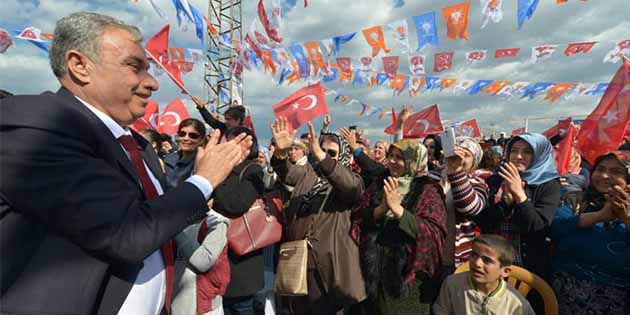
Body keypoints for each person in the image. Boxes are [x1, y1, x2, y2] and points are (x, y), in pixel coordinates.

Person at [0, 12, 249, 315]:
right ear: (80, 66)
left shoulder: (137, 147)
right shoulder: (36, 127)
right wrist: (203, 181)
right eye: (135, 67)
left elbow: (158, 224)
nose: (153, 83)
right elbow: (128, 233)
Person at [270, 118, 366, 315]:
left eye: (331, 153)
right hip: (299, 263)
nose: (323, 156)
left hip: (328, 271)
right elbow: (287, 173)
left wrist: (323, 158)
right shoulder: (310, 174)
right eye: (321, 150)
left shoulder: (351, 179)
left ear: (343, 157)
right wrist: (280, 154)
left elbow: (352, 188)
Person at [350, 139, 447, 315]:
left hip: (407, 279)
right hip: (374, 273)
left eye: (400, 157)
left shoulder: (428, 190)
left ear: (414, 161)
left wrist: (399, 211)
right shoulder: (380, 183)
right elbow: (358, 216)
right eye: (391, 156)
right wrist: (380, 210)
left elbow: (433, 234)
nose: (392, 161)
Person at [551, 151, 630, 315]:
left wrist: (626, 217)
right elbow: (555, 228)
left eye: (616, 172)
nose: (604, 176)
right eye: (600, 169)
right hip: (565, 294)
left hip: (619, 297)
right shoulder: (575, 199)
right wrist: (599, 216)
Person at [476, 133, 561, 281]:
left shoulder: (549, 185)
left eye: (527, 152)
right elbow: (483, 222)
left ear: (540, 155)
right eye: (514, 151)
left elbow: (537, 228)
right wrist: (506, 203)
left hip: (526, 269)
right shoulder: (495, 180)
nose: (518, 156)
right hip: (491, 263)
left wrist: (520, 197)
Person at [433, 234, 535, 315]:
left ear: (505, 271)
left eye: (487, 260)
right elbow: (441, 311)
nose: (477, 263)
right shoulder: (452, 284)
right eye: (474, 255)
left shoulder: (516, 303)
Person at [172, 210, 231, 315]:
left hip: (200, 304)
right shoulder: (184, 217)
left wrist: (175, 229)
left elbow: (204, 261)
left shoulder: (216, 221)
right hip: (179, 298)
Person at [442, 137, 489, 268]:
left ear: (474, 162)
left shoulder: (479, 183)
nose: (460, 157)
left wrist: (456, 171)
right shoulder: (433, 179)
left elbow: (471, 208)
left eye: (466, 155)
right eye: (457, 151)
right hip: (431, 256)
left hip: (459, 259)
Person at [164, 118, 207, 190]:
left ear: (202, 140)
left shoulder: (204, 162)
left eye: (193, 135)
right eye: (182, 134)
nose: (186, 138)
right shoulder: (168, 159)